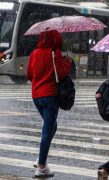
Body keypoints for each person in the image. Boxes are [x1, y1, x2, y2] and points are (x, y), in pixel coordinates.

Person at [27, 30, 71, 177]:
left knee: (52, 126)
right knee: (47, 130)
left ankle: (41, 157)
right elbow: (62, 73)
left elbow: (29, 75)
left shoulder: (34, 53)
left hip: (36, 96)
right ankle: (41, 166)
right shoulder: (54, 52)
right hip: (50, 96)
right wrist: (68, 62)